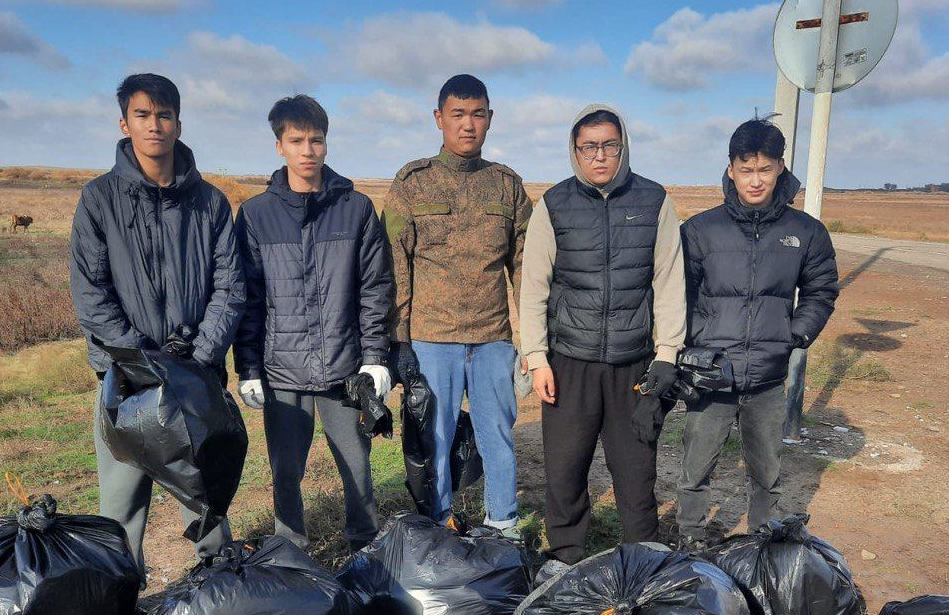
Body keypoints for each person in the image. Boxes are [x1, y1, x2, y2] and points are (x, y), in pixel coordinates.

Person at [71, 72, 245, 565]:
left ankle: (221, 593)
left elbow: (230, 287)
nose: (155, 127)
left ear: (179, 124)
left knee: (206, 502)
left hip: (195, 377)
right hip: (126, 382)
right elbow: (92, 293)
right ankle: (121, 603)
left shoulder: (210, 203)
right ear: (124, 123)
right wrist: (143, 361)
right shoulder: (99, 200)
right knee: (121, 510)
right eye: (143, 116)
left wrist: (200, 357)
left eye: (164, 116)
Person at [519, 104, 686, 564]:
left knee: (636, 475)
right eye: (589, 147)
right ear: (574, 152)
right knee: (564, 471)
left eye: (609, 146)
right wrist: (536, 358)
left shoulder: (654, 201)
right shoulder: (554, 204)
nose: (600, 156)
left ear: (623, 147)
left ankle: (643, 563)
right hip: (568, 362)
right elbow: (533, 284)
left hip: (634, 363)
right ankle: (566, 559)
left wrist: (667, 354)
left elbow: (670, 280)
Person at [233, 95, 395, 552]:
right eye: (296, 140)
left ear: (327, 143)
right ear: (278, 146)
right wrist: (247, 367)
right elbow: (249, 299)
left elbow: (374, 287)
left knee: (357, 468)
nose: (308, 150)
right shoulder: (255, 215)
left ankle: (366, 551)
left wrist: (375, 358)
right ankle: (292, 555)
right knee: (286, 470)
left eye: (316, 140)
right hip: (282, 371)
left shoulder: (357, 208)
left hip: (344, 370)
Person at [676, 118, 840, 547]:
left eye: (764, 170)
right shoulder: (699, 230)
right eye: (745, 169)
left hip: (767, 377)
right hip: (711, 375)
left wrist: (795, 335)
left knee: (767, 471)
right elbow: (679, 293)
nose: (755, 180)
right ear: (730, 169)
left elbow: (821, 291)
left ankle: (761, 545)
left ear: (780, 168)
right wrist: (698, 340)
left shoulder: (805, 232)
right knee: (696, 467)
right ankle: (691, 538)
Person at [383, 74, 532, 535]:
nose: (468, 125)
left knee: (498, 439)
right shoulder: (413, 182)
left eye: (478, 114)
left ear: (490, 118)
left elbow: (525, 264)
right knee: (435, 438)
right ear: (439, 119)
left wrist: (531, 340)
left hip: (492, 340)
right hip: (432, 340)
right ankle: (438, 524)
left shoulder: (507, 186)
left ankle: (502, 524)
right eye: (458, 115)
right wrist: (399, 339)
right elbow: (395, 265)